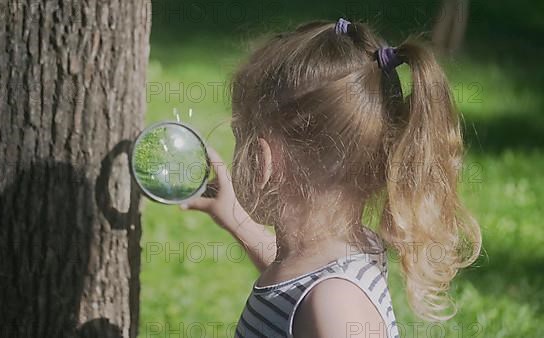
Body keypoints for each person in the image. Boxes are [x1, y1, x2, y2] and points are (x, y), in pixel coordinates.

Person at [180, 18, 481, 337]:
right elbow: (290, 280)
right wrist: (235, 218)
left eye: (238, 135)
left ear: (261, 158)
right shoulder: (344, 250)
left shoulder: (333, 303)